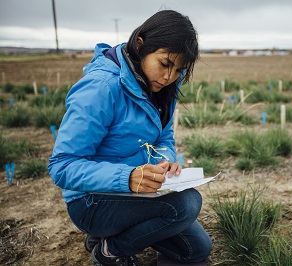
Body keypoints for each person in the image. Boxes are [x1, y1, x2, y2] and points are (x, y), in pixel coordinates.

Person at [48, 10, 212, 266]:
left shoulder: (164, 86)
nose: (170, 77)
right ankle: (110, 250)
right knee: (187, 204)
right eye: (165, 63)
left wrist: (164, 162)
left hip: (139, 193)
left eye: (179, 70)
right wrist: (127, 178)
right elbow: (62, 166)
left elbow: (164, 138)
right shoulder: (100, 88)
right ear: (140, 45)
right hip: (91, 200)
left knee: (196, 249)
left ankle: (110, 233)